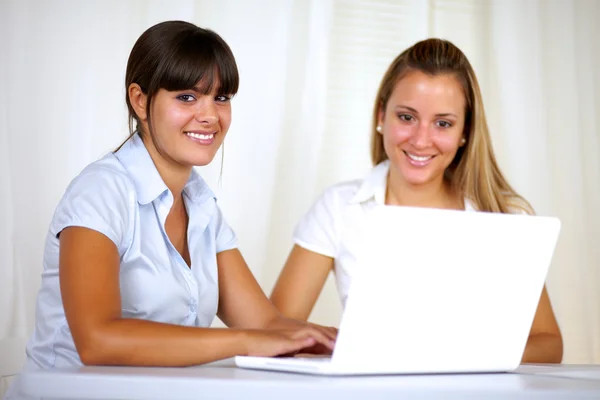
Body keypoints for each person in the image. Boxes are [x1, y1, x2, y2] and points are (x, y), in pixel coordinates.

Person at [10, 20, 338, 389]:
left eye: (221, 97)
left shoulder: (201, 205)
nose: (210, 115)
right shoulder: (100, 192)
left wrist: (341, 342)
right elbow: (97, 340)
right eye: (186, 97)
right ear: (140, 100)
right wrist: (248, 344)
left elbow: (265, 324)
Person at [270, 38, 563, 364]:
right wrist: (338, 343)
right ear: (382, 115)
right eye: (407, 117)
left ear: (465, 130)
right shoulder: (339, 208)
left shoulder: (500, 215)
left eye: (443, 123)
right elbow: (275, 332)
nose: (422, 140)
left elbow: (548, 345)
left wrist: (453, 354)